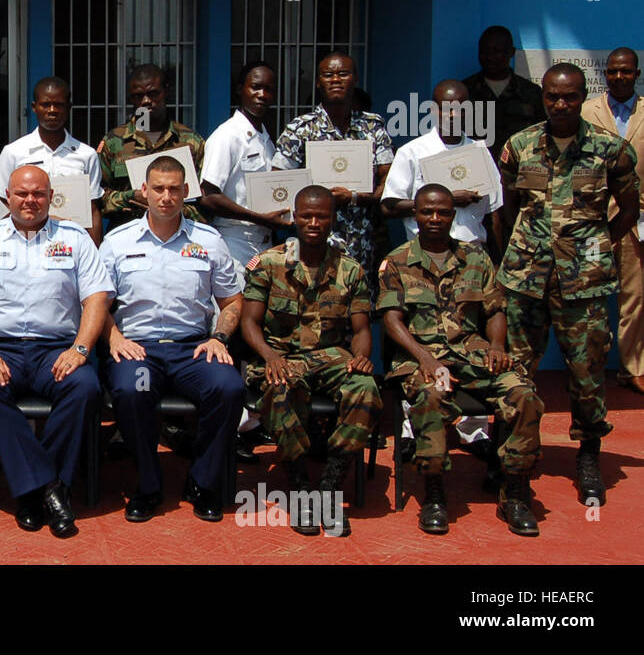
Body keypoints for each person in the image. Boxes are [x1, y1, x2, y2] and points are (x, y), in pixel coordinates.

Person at [496, 63, 638, 508]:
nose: (561, 105)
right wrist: (511, 258)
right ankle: (510, 459)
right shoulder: (519, 146)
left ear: (583, 97)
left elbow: (630, 209)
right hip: (526, 279)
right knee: (516, 370)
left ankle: (589, 457)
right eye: (553, 97)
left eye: (571, 97)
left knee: (587, 374)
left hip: (585, 285)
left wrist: (596, 246)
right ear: (543, 97)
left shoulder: (610, 150)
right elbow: (505, 209)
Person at [0, 166, 114, 538]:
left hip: (56, 349)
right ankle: (50, 490)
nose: (30, 201)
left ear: (51, 196)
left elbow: (96, 298)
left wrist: (81, 349)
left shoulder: (75, 237)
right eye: (22, 194)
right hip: (1, 348)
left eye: (38, 194)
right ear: (7, 196)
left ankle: (31, 492)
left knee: (85, 388)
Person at [378, 184, 544, 536]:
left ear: (453, 215)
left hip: (472, 353)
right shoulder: (397, 260)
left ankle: (512, 488)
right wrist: (425, 358)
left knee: (523, 394)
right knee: (431, 396)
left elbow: (495, 308)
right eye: (427, 212)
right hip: (420, 357)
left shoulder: (476, 258)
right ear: (416, 214)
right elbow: (392, 320)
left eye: (442, 212)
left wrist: (498, 346)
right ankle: (435, 491)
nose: (434, 218)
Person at [101, 156, 244, 523]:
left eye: (174, 189)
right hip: (139, 351)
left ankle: (203, 482)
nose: (166, 197)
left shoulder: (209, 241)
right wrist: (114, 337)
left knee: (227, 388)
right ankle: (149, 486)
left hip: (193, 349)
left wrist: (220, 338)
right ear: (144, 192)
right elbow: (96, 302)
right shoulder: (118, 241)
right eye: (158, 189)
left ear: (186, 192)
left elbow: (231, 301)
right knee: (134, 390)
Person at [240, 185, 380, 536]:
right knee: (280, 390)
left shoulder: (351, 270)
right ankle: (301, 486)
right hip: (281, 357)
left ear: (333, 220)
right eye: (306, 216)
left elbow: (361, 328)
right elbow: (249, 322)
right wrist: (269, 356)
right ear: (294, 217)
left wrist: (362, 357)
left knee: (365, 387)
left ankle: (330, 485)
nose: (314, 222)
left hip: (331, 358)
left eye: (322, 216)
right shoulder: (269, 264)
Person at [199, 61, 287, 462]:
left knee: (258, 332)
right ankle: (226, 427)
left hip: (264, 246)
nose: (263, 95)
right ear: (240, 90)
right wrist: (260, 218)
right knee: (231, 332)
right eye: (255, 88)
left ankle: (250, 421)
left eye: (269, 89)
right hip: (235, 244)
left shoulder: (266, 137)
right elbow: (207, 196)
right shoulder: (228, 136)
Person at [272, 51, 394, 292]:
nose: (335, 79)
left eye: (343, 74)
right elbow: (277, 183)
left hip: (362, 241)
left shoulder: (373, 126)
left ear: (355, 79)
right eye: (328, 75)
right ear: (318, 82)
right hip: (312, 244)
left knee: (357, 311)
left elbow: (389, 181)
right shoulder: (299, 129)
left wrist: (356, 197)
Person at [581, 48, 644, 395]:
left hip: (637, 216)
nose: (619, 77)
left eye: (626, 72)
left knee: (635, 297)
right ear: (605, 74)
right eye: (613, 72)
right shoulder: (588, 111)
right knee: (591, 296)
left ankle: (632, 367)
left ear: (636, 74)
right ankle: (588, 366)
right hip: (594, 218)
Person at [382, 80, 504, 258]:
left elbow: (493, 214)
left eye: (459, 109)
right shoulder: (412, 152)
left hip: (472, 256)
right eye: (445, 109)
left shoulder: (480, 152)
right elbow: (389, 207)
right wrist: (450, 200)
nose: (452, 115)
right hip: (423, 254)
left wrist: (497, 261)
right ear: (433, 110)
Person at [0, 76, 104, 244]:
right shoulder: (13, 152)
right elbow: (1, 204)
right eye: (45, 104)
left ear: (69, 108)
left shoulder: (86, 155)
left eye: (59, 104)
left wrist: (96, 253)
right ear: (34, 107)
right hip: (24, 242)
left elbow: (93, 209)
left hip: (71, 244)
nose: (52, 110)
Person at [98, 64, 207, 230]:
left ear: (166, 91)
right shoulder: (115, 141)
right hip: (128, 237)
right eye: (138, 96)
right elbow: (98, 198)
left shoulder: (190, 141)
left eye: (153, 93)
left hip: (180, 239)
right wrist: (130, 197)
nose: (146, 101)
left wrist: (169, 206)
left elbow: (206, 204)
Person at [461, 25, 543, 165]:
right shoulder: (465, 91)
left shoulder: (531, 93)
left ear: (511, 52)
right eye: (484, 51)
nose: (490, 57)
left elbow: (541, 136)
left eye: (497, 51)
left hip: (519, 170)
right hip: (476, 170)